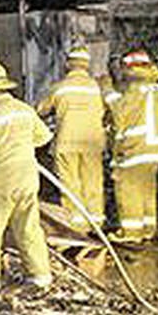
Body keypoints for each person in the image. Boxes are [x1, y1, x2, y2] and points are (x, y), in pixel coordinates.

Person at [0, 59, 54, 290]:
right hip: (27, 180)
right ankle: (40, 276)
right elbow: (44, 138)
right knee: (29, 229)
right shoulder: (25, 110)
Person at [36, 45, 106, 233]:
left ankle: (76, 225)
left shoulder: (60, 88)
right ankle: (96, 224)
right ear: (87, 65)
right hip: (92, 143)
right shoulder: (96, 87)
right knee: (93, 182)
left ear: (68, 65)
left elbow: (40, 110)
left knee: (70, 184)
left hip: (66, 143)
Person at [103, 50, 158, 241]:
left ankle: (131, 232)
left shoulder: (136, 90)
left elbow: (120, 113)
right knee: (146, 189)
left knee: (128, 189)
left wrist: (107, 91)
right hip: (156, 150)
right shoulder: (157, 90)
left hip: (137, 149)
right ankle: (147, 229)